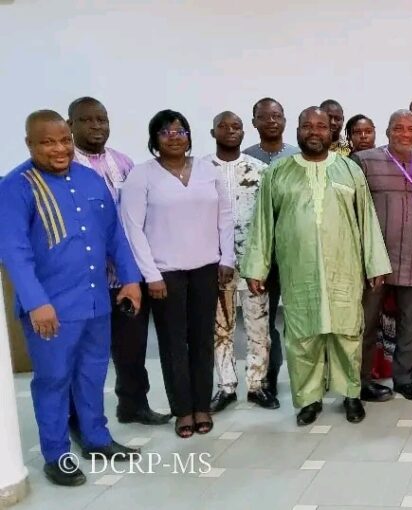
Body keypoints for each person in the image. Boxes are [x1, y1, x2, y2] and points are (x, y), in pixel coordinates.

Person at [0, 110, 143, 486]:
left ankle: (96, 438)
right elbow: (14, 251)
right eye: (47, 142)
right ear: (30, 144)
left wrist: (130, 280)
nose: (59, 149)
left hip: (96, 303)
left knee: (93, 373)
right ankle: (56, 455)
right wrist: (36, 302)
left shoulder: (89, 178)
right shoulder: (16, 187)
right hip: (51, 310)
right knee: (53, 380)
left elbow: (115, 235)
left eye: (64, 140)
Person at [242, 107, 392, 426]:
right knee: (302, 336)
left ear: (330, 132)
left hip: (344, 266)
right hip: (298, 268)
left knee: (347, 332)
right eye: (307, 126)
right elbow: (263, 223)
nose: (314, 131)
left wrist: (375, 263)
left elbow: (366, 218)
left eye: (321, 126)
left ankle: (351, 394)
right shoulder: (278, 172)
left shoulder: (349, 170)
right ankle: (308, 400)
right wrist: (257, 266)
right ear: (297, 130)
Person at [120, 110, 234, 438]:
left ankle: (201, 406)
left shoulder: (207, 170)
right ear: (154, 139)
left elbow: (225, 216)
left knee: (202, 341)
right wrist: (150, 274)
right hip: (165, 273)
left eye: (180, 131)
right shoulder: (142, 175)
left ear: (189, 136)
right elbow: (132, 228)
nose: (174, 137)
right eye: (165, 132)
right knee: (173, 344)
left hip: (206, 268)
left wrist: (226, 257)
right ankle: (182, 410)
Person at [67, 97, 170, 427]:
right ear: (70, 125)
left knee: (132, 347)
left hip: (127, 276)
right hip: (86, 279)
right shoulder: (66, 165)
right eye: (87, 120)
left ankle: (133, 405)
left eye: (102, 119)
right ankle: (82, 418)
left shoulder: (123, 163)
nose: (96, 126)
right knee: (87, 353)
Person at [352, 110, 412, 403]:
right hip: (375, 259)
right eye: (398, 128)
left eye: (411, 129)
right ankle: (361, 380)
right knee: (366, 322)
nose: (405, 134)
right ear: (387, 131)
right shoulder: (364, 161)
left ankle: (403, 379)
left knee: (411, 321)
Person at [201, 111, 278, 412]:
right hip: (215, 263)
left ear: (244, 132)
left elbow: (269, 219)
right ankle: (226, 387)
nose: (230, 131)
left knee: (259, 327)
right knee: (221, 328)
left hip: (254, 264)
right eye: (223, 126)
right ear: (213, 132)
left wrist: (266, 261)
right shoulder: (201, 170)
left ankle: (257, 385)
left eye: (236, 127)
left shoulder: (260, 170)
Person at [242, 97, 297, 398]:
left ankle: (306, 376)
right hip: (263, 255)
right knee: (265, 321)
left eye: (277, 115)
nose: (272, 121)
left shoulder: (297, 156)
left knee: (299, 319)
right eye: (265, 117)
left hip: (293, 252)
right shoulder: (245, 159)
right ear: (254, 122)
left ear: (285, 120)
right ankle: (269, 378)